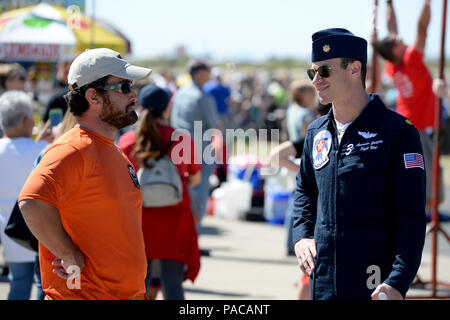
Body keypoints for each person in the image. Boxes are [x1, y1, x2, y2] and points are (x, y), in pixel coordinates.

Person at [293, 28, 426, 300]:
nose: (316, 80)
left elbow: (411, 215)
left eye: (325, 71)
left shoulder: (397, 132)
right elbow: (305, 190)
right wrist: (302, 235)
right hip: (324, 282)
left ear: (355, 69)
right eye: (312, 72)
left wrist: (398, 281)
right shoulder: (316, 132)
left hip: (374, 286)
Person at [18, 48, 152, 300]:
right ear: (93, 96)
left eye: (132, 86)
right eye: (124, 87)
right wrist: (68, 254)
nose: (133, 94)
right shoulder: (72, 148)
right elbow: (31, 202)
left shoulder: (112, 150)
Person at [118, 84, 202, 300]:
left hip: (138, 220)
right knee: (172, 282)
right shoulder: (180, 139)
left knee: (139, 283)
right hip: (175, 218)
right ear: (167, 108)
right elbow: (195, 179)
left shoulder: (127, 141)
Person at [372, 0, 442, 211]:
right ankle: (417, 221)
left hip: (412, 124)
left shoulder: (393, 64)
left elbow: (392, 28)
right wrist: (428, 4)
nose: (402, 39)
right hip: (419, 126)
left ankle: (416, 215)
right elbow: (422, 30)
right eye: (399, 41)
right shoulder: (410, 59)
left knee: (427, 183)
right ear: (395, 50)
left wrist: (389, 3)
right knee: (430, 190)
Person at [270, 102, 331, 300]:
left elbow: (276, 155)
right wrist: (307, 174)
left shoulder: (320, 136)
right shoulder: (318, 136)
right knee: (311, 272)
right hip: (321, 218)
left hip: (323, 218)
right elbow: (276, 155)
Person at [0, 91, 51, 299]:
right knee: (43, 283)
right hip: (42, 228)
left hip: (9, 230)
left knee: (18, 282)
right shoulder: (44, 149)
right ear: (26, 120)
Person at [171, 59, 221, 241]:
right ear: (200, 73)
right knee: (199, 196)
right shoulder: (203, 96)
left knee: (182, 194)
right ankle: (193, 239)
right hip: (200, 150)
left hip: (178, 148)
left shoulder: (179, 93)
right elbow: (215, 125)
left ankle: (181, 237)